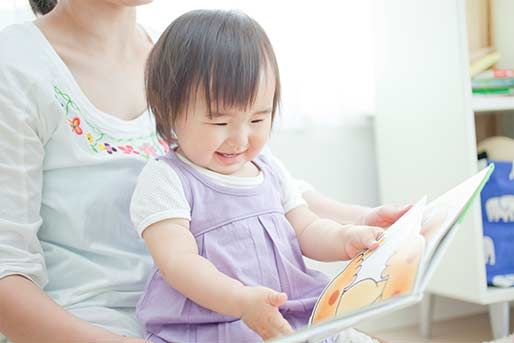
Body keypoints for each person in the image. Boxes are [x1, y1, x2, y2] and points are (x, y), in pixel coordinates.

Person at [0, 1, 408, 342]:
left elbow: (264, 187)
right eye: (217, 122)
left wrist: (361, 222)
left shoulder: (183, 53)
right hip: (107, 325)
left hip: (240, 310)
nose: (237, 134)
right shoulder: (16, 67)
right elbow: (7, 274)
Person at [130, 9, 401, 343]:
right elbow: (177, 261)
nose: (241, 139)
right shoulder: (167, 179)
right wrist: (240, 301)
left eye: (258, 120)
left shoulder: (269, 169)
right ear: (169, 110)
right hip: (213, 323)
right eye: (219, 122)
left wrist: (345, 238)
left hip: (290, 313)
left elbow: (306, 228)